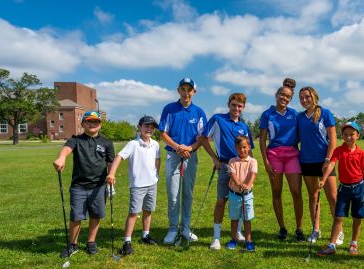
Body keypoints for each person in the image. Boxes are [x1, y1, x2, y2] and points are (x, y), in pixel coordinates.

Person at [53, 111, 115, 257]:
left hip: (99, 186)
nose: (92, 124)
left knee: (96, 215)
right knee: (76, 216)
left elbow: (110, 161)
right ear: (82, 124)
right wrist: (61, 159)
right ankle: (73, 244)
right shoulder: (76, 140)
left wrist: (111, 174)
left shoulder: (106, 142)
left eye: (96, 122)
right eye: (89, 121)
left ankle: (91, 242)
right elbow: (66, 149)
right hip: (79, 186)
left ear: (100, 124)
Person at [201, 92, 254, 250]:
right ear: (228, 104)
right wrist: (214, 159)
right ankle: (216, 238)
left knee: (239, 202)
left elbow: (249, 150)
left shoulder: (244, 126)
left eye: (240, 106)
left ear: (243, 107)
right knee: (221, 201)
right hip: (225, 166)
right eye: (234, 105)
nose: (236, 108)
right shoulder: (218, 119)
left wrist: (251, 167)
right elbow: (203, 138)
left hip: (242, 167)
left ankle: (237, 232)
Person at [158, 77, 207, 245]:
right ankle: (173, 228)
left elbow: (202, 137)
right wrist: (178, 147)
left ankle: (185, 227)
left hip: (190, 156)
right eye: (183, 89)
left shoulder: (199, 112)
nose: (186, 92)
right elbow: (163, 133)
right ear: (178, 90)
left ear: (194, 92)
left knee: (188, 194)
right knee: (173, 195)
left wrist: (190, 148)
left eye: (189, 89)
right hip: (173, 155)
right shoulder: (169, 109)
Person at [106, 116, 161, 255]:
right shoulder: (133, 144)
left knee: (148, 210)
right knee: (133, 213)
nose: (149, 129)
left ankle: (145, 235)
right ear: (139, 127)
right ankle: (127, 241)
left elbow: (157, 159)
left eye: (152, 127)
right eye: (146, 126)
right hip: (138, 185)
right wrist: (112, 173)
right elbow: (119, 157)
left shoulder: (155, 144)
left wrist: (156, 175)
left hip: (152, 183)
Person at [297, 86, 343, 245]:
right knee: (313, 196)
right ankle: (315, 230)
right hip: (306, 161)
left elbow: (333, 139)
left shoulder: (325, 113)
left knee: (333, 197)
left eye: (307, 97)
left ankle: (339, 230)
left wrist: (328, 159)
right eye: (301, 98)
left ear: (314, 96)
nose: (304, 100)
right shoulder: (300, 117)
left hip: (325, 162)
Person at [316, 122, 364, 256]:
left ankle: (353, 244)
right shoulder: (338, 150)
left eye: (352, 134)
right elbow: (331, 164)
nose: (348, 137)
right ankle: (332, 245)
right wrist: (323, 179)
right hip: (344, 189)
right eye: (345, 135)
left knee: (357, 217)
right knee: (338, 216)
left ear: (358, 135)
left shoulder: (361, 153)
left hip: (359, 188)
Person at [259, 84, 305, 241]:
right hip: (274, 156)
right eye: (282, 94)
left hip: (292, 155)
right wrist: (265, 161)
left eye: (288, 96)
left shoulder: (295, 114)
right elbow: (263, 139)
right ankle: (282, 228)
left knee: (296, 192)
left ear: (291, 99)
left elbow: (301, 134)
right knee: (276, 192)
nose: (284, 98)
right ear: (276, 94)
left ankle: (299, 229)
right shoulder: (267, 114)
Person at [226, 136, 258, 251]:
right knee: (234, 218)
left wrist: (247, 185)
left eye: (244, 147)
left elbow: (253, 174)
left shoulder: (253, 161)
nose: (242, 150)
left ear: (249, 147)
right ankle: (233, 239)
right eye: (239, 148)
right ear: (236, 148)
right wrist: (240, 184)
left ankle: (248, 241)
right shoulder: (232, 161)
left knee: (247, 219)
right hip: (234, 195)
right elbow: (233, 175)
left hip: (248, 195)